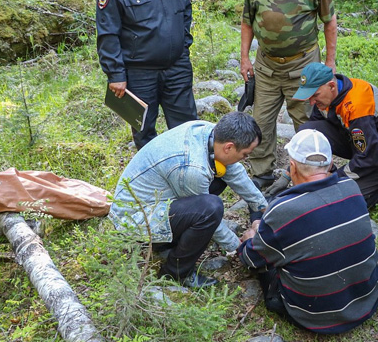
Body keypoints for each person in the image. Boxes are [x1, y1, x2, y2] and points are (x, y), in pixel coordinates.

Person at [238, 129, 378, 334]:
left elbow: (251, 259)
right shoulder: (351, 187)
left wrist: (252, 235)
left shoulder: (283, 210)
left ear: (292, 166)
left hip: (315, 317)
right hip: (367, 299)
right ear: (331, 163)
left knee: (268, 262)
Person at [109, 112, 268, 288]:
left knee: (217, 185)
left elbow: (234, 172)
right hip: (135, 218)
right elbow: (207, 213)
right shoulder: (192, 168)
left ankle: (171, 241)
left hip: (161, 196)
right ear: (229, 147)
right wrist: (238, 247)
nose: (245, 159)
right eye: (245, 154)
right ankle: (176, 272)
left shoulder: (210, 133)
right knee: (210, 209)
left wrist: (263, 209)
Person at [240, 0, 338, 189]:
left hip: (303, 64)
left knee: (307, 119)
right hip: (267, 66)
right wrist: (244, 58)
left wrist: (330, 62)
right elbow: (247, 20)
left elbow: (329, 21)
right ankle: (262, 172)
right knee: (261, 120)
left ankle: (312, 173)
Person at [97, 0, 197, 150]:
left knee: (188, 128)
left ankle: (190, 179)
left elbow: (185, 13)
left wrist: (183, 48)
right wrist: (115, 73)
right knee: (145, 134)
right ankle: (154, 182)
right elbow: (108, 31)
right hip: (139, 73)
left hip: (176, 67)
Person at [290, 62, 378, 208]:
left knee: (350, 202)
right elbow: (314, 133)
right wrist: (295, 169)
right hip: (359, 143)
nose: (312, 102)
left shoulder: (358, 105)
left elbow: (368, 157)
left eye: (315, 95)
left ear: (331, 86)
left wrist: (333, 178)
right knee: (308, 130)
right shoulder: (327, 97)